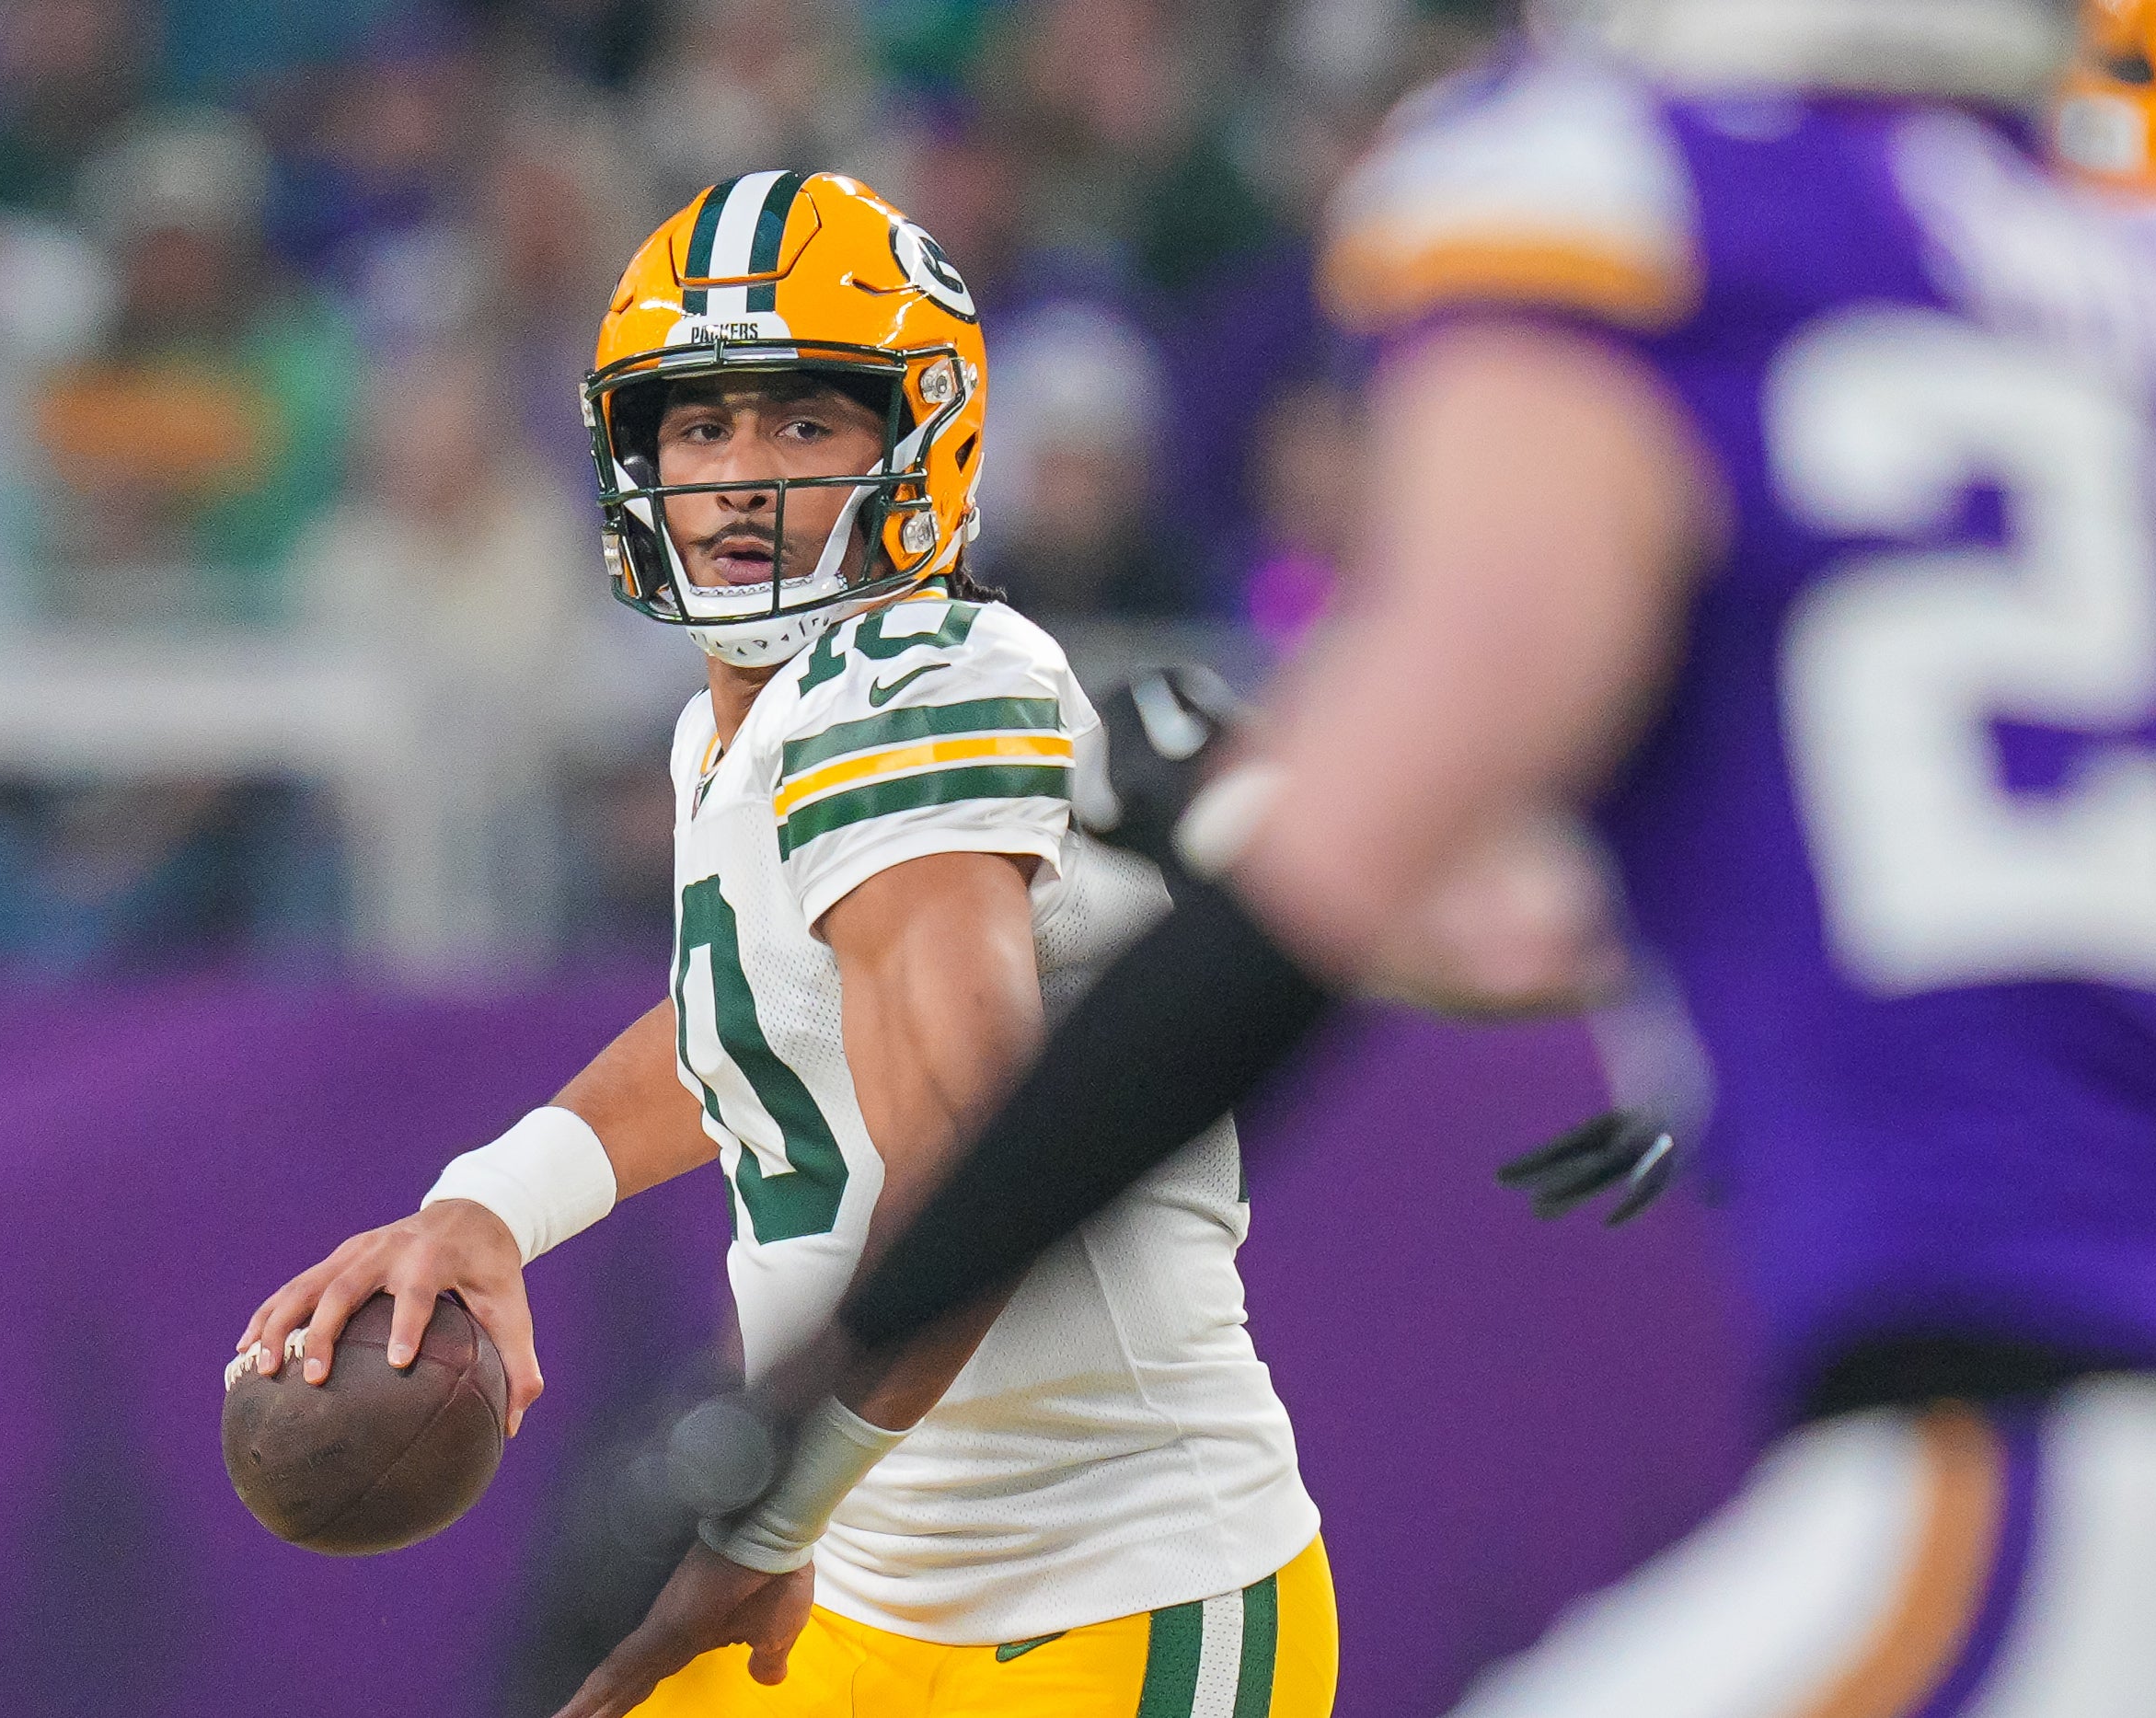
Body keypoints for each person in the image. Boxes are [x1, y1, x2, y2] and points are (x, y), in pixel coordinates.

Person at [783, 3, 2156, 1712]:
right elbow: (1527, 909)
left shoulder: (1670, 203)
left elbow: (1414, 873)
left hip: (2083, 1462)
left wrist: (794, 1407)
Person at [235, 172, 1335, 1718]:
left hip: (1106, 1606)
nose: (742, 479)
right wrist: (492, 1203)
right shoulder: (749, 720)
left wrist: (762, 1509)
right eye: (700, 427)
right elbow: (756, 1020)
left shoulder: (914, 690)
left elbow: (979, 1166)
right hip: (868, 1582)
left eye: (805, 426)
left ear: (920, 441)